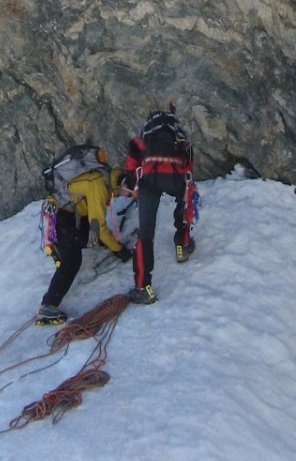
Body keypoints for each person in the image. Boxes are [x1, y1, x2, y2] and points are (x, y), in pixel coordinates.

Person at [36, 146, 130, 325]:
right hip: (59, 214)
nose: (126, 196)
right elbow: (98, 226)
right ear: (122, 183)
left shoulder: (103, 178)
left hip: (68, 211)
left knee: (83, 234)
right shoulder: (99, 186)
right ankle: (48, 306)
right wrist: (118, 249)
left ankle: (74, 243)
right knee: (71, 261)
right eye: (128, 192)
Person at [122, 103, 196, 305]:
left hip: (149, 179)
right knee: (184, 205)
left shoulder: (147, 135)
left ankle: (143, 287)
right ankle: (182, 244)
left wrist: (131, 183)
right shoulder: (176, 134)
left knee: (145, 235)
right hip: (176, 175)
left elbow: (132, 156)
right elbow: (188, 158)